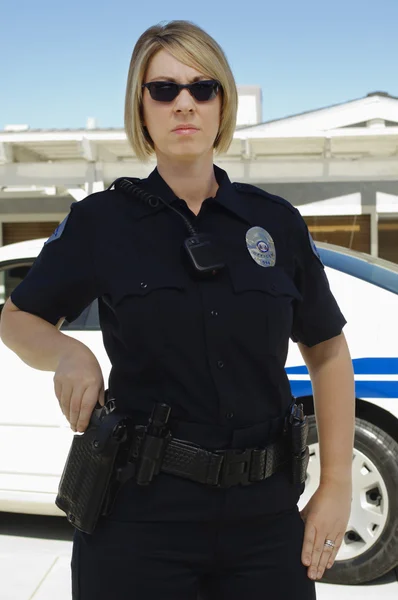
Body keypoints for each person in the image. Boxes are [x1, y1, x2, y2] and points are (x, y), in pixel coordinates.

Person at [0, 20, 355, 600]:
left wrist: (335, 482)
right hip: (140, 520)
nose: (183, 103)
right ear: (141, 109)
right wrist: (68, 352)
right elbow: (17, 319)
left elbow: (328, 349)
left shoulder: (276, 224)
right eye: (163, 89)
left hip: (263, 521)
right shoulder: (102, 222)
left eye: (202, 87)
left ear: (223, 104)